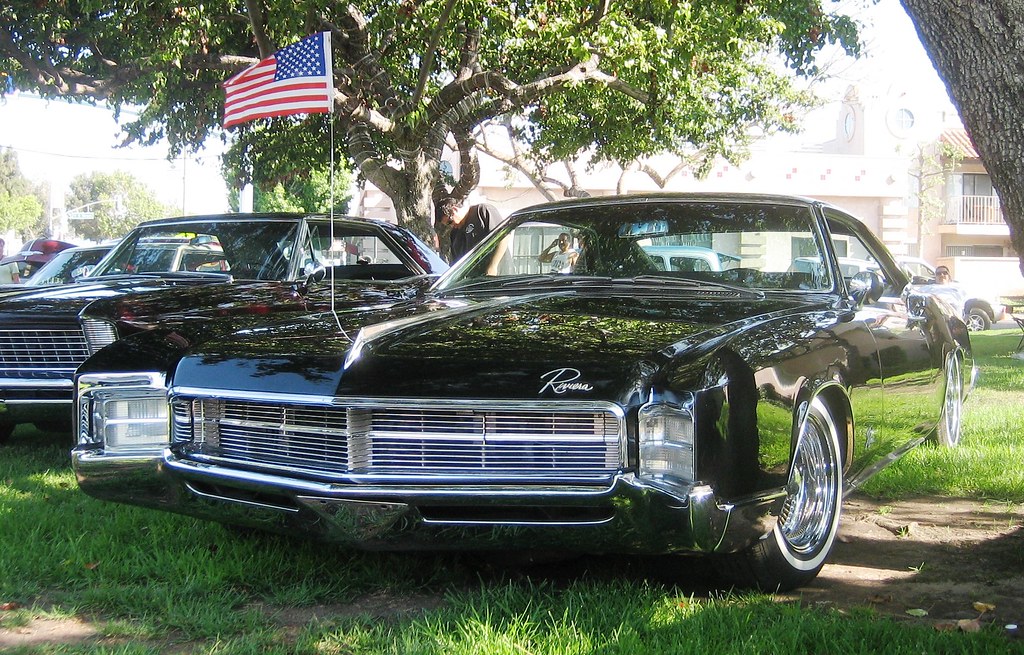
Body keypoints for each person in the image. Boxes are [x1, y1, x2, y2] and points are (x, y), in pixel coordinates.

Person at [435, 197, 500, 262]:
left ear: (454, 210)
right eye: (448, 225)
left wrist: (493, 266)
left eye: (450, 222)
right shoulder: (454, 235)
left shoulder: (482, 211)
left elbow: (503, 235)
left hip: (499, 270)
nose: (452, 226)